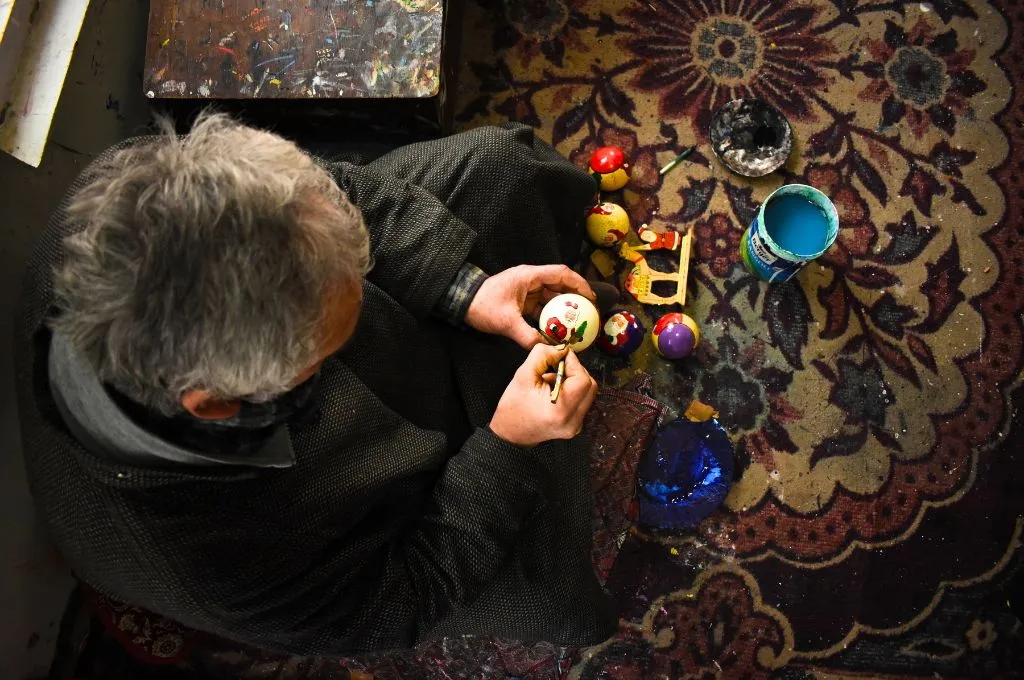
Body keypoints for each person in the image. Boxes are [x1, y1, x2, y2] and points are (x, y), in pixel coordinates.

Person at [16, 113, 617, 655]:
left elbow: (338, 192)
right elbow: (406, 595)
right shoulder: (220, 565)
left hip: (315, 366)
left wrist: (464, 289)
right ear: (220, 405)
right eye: (328, 345)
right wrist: (506, 449)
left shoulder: (141, 185)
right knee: (553, 589)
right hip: (355, 501)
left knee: (501, 166)